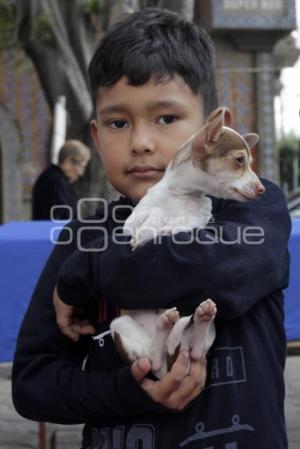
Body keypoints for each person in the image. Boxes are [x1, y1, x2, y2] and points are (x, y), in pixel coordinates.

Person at [12, 8, 291, 449]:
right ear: (96, 135)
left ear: (212, 132)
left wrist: (84, 274)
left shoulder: (255, 212)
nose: (140, 141)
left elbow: (215, 270)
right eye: (118, 123)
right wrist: (126, 389)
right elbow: (32, 381)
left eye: (166, 119)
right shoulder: (83, 235)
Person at [32, 140, 91, 220]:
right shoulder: (54, 182)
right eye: (80, 166)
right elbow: (59, 216)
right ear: (68, 163)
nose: (81, 173)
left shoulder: (58, 179)